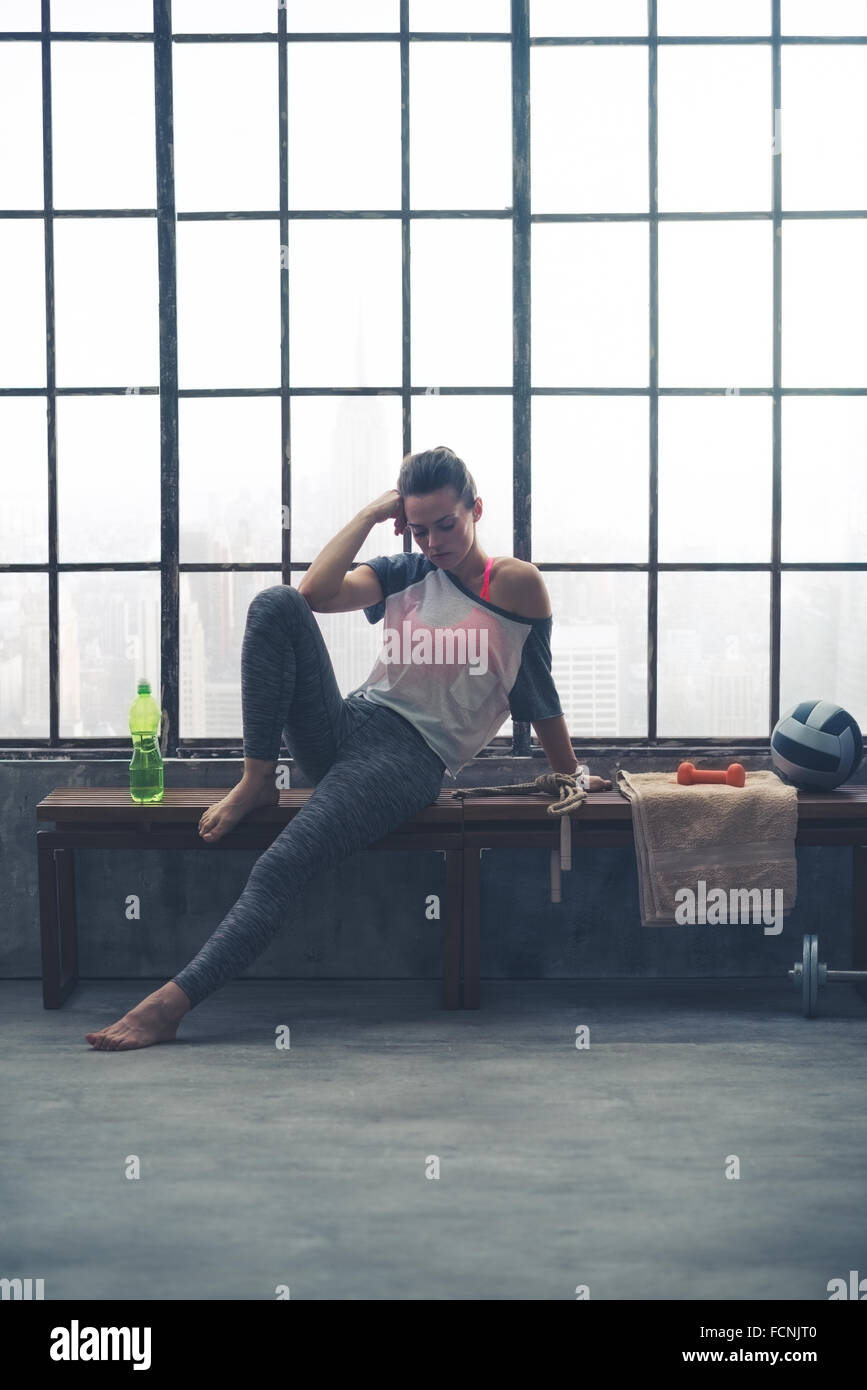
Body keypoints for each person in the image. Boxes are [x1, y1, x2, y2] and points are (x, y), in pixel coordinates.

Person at [85, 446, 611, 1051]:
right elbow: (313, 593)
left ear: (477, 510)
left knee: (280, 866)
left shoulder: (515, 585)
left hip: (407, 761)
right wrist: (369, 514)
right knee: (276, 603)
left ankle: (169, 1005)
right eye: (419, 529)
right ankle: (258, 779)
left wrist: (570, 774)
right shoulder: (407, 572)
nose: (434, 542)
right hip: (346, 723)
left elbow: (538, 692)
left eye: (446, 524)